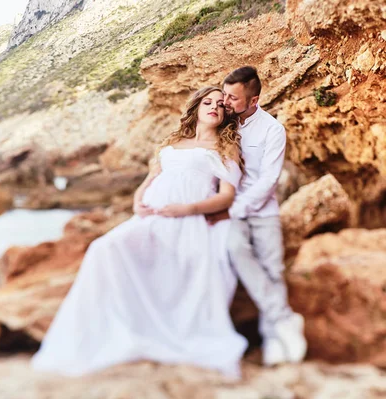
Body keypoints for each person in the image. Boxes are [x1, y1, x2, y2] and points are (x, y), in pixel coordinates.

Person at [31, 86, 248, 378]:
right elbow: (151, 178)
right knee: (104, 248)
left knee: (178, 273)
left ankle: (160, 332)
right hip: (150, 220)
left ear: (226, 114)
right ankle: (116, 328)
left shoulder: (225, 147)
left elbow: (226, 197)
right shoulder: (174, 142)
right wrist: (137, 200)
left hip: (189, 221)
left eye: (221, 105)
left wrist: (187, 209)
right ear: (196, 107)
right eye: (207, 102)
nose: (214, 107)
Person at [207, 66, 307, 366]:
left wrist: (238, 207)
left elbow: (269, 179)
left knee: (273, 269)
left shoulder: (273, 129)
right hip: (230, 210)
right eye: (224, 93)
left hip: (262, 210)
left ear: (254, 100)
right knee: (236, 249)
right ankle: (285, 320)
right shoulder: (223, 122)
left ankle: (275, 339)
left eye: (233, 97)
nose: (225, 101)